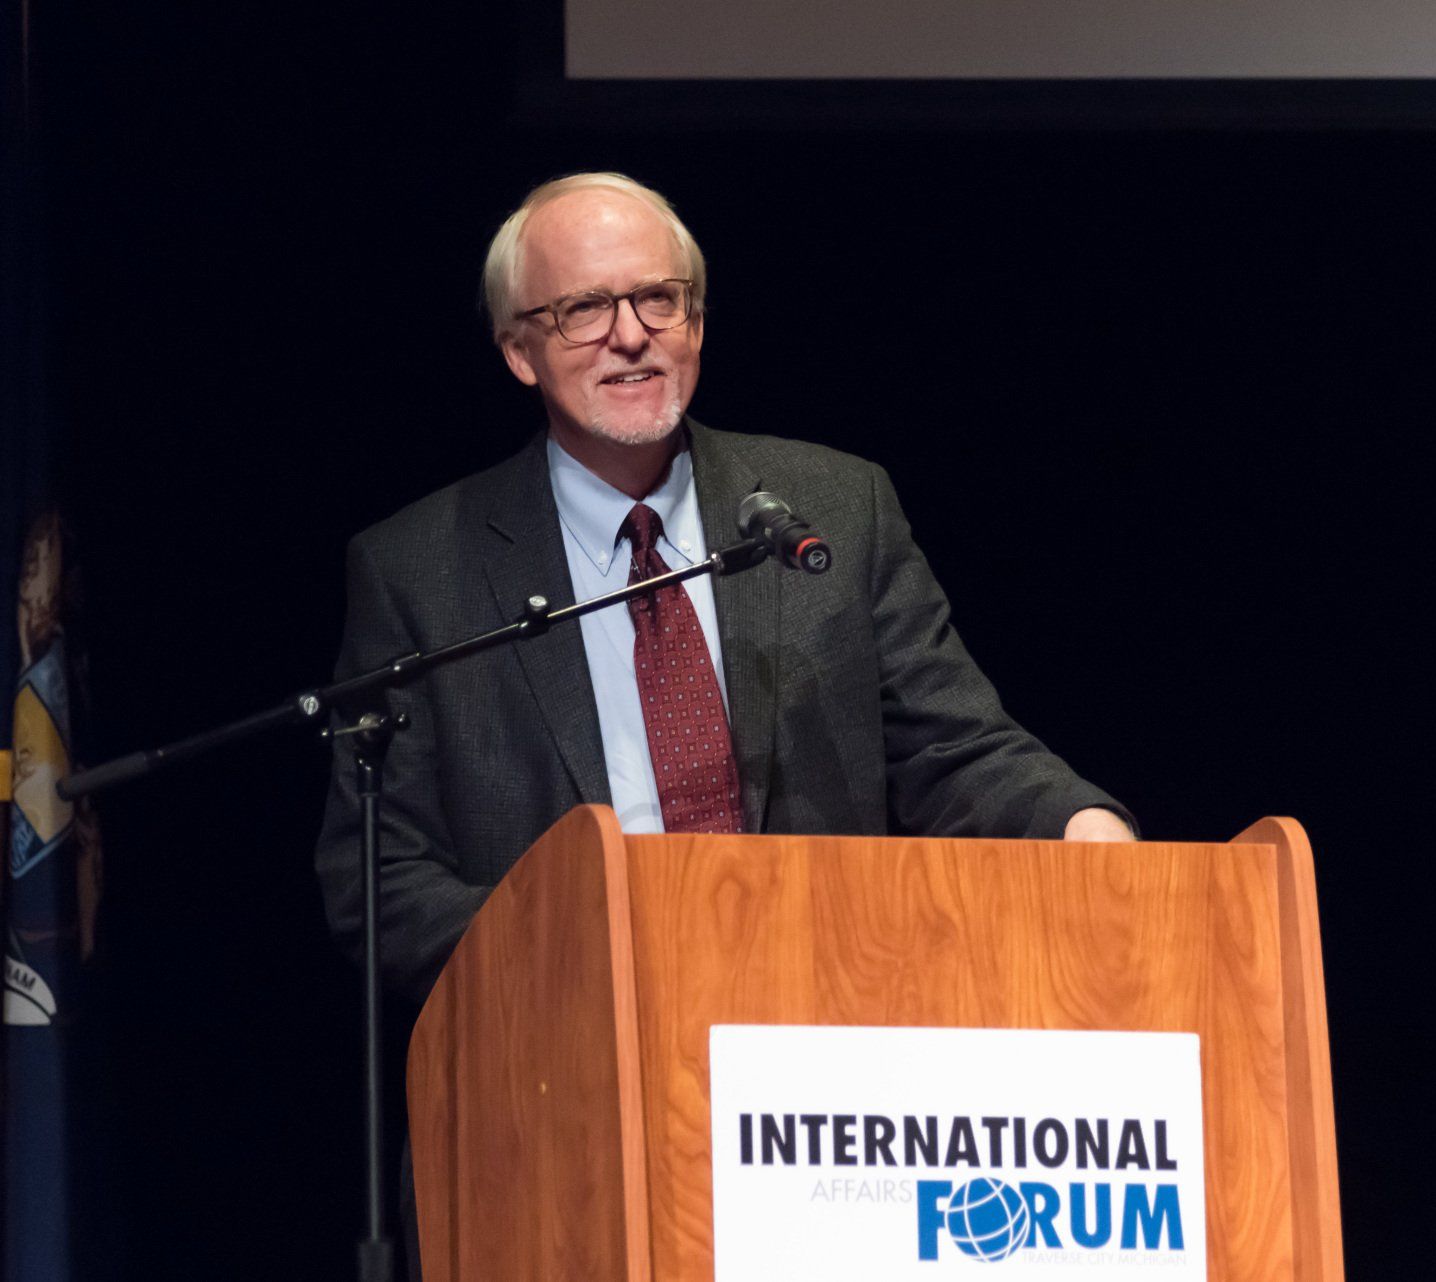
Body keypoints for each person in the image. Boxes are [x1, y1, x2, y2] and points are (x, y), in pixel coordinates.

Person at [313, 172, 1133, 1011]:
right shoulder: (418, 569)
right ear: (519, 350)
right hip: (569, 1050)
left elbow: (951, 748)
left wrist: (1077, 823)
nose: (630, 337)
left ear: (696, 321)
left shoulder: (836, 510)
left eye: (657, 299)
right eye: (584, 309)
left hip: (821, 1030)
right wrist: (580, 956)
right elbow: (382, 875)